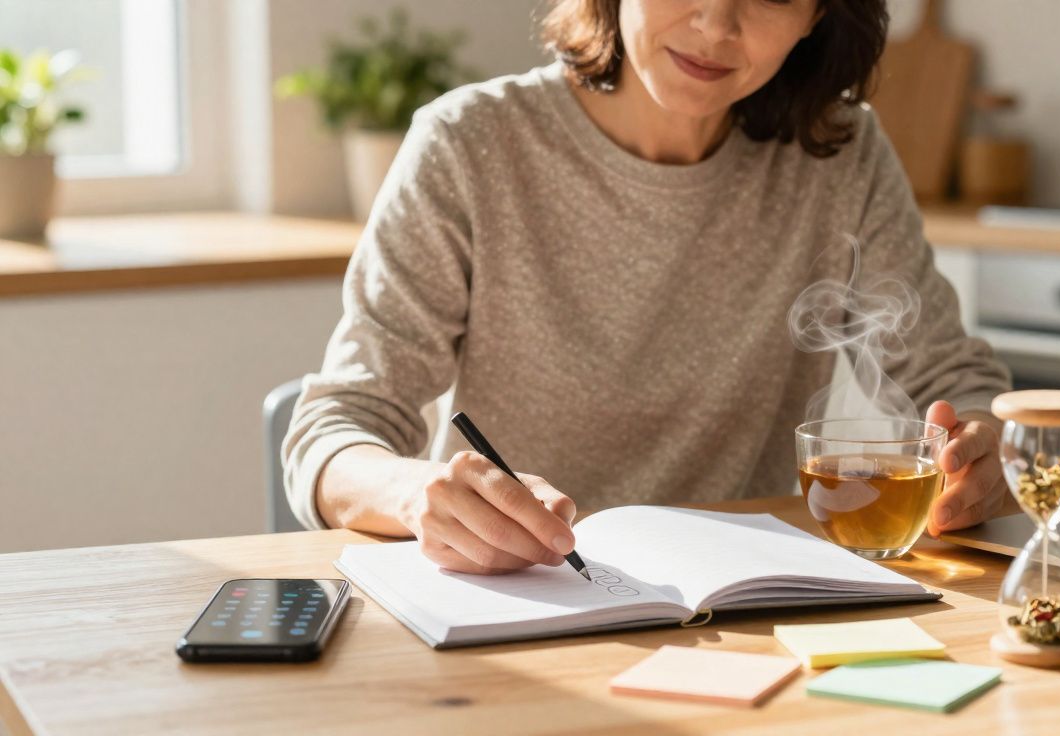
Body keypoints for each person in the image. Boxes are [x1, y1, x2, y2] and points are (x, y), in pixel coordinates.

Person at [283, 0, 1012, 575]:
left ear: (817, 16)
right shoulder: (468, 144)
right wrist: (418, 495)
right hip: (525, 596)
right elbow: (336, 430)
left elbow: (952, 379)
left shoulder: (842, 155)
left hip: (751, 600)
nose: (717, 25)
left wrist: (980, 446)